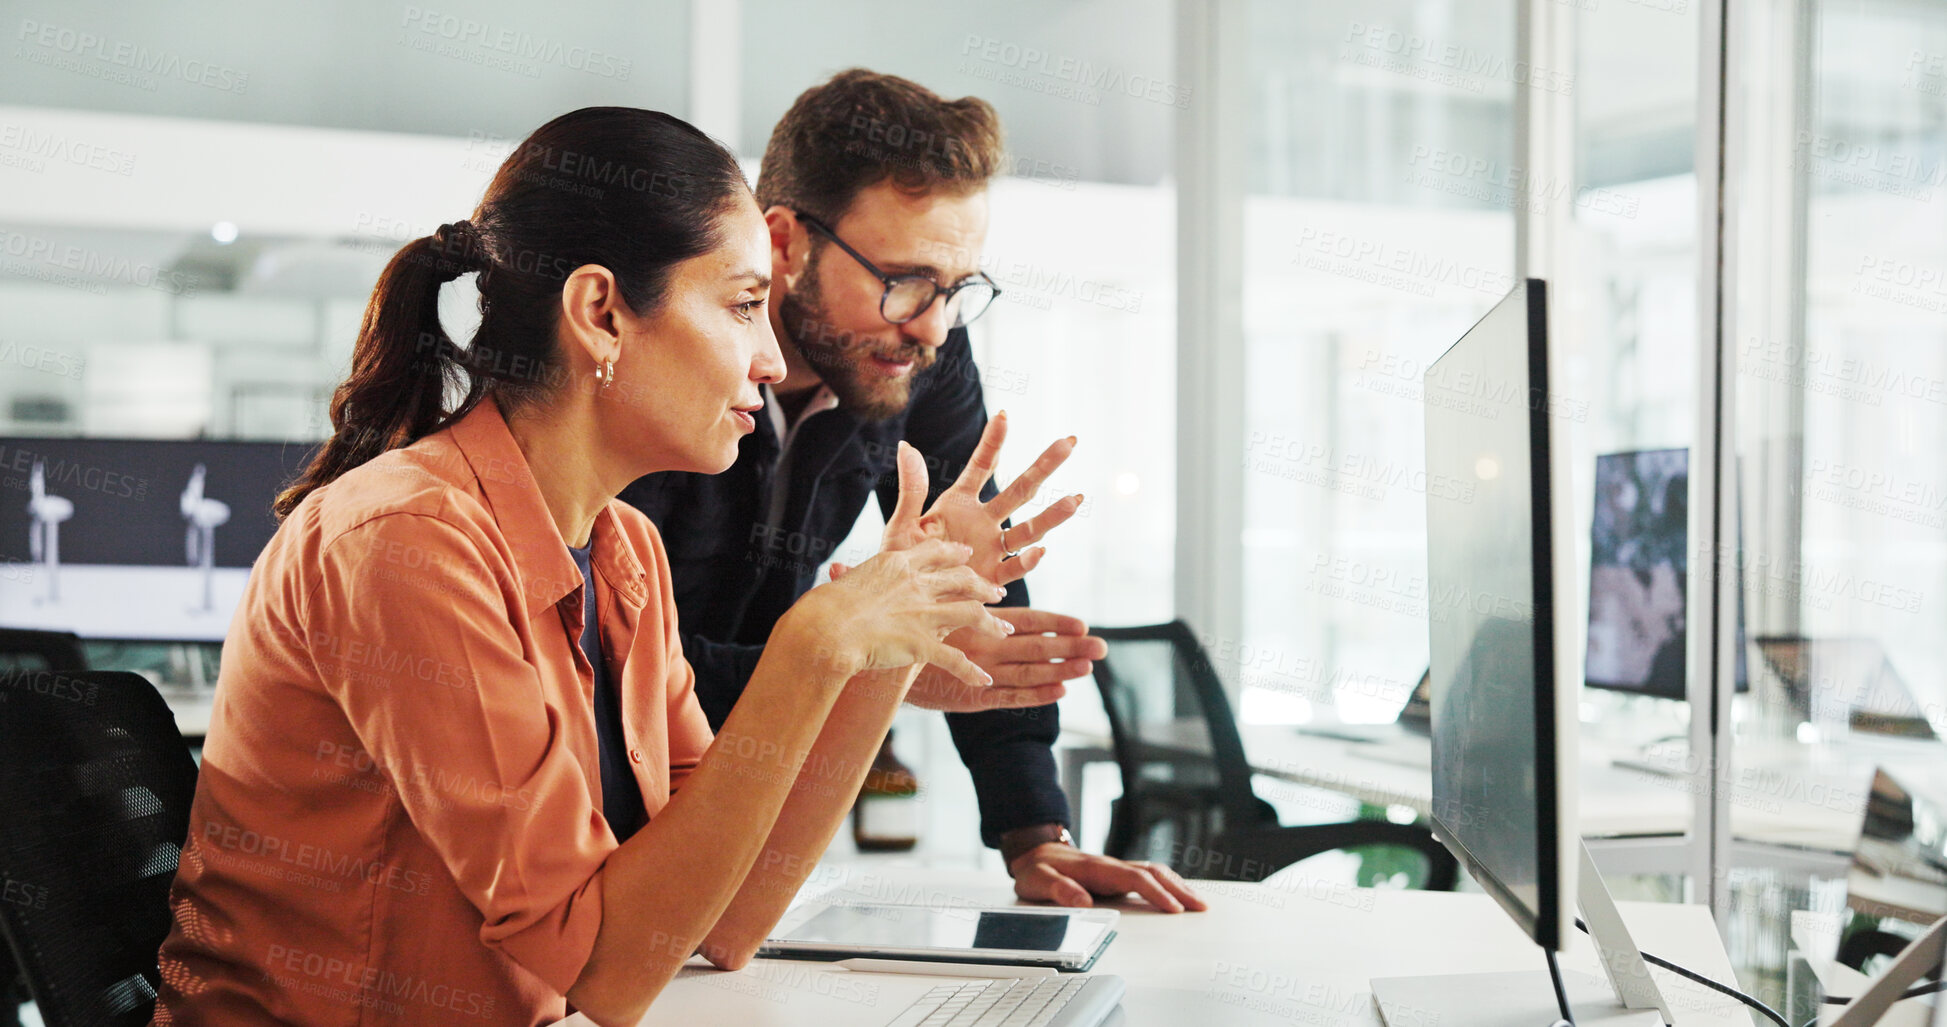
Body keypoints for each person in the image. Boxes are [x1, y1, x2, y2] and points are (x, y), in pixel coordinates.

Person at [150, 106, 1072, 1027]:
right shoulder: (405, 541)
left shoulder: (625, 551)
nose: (764, 356)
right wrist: (811, 645)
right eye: (744, 306)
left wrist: (889, 642)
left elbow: (726, 919)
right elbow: (607, 970)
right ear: (600, 313)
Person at [620, 69, 1206, 913]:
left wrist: (1033, 833)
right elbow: (614, 659)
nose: (931, 325)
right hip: (600, 796)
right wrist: (860, 662)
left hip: (741, 808)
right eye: (903, 280)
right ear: (782, 242)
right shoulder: (661, 363)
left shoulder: (911, 358)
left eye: (956, 288)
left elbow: (968, 595)